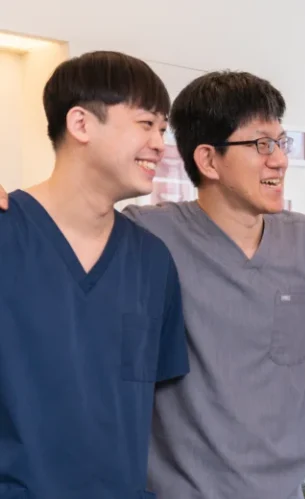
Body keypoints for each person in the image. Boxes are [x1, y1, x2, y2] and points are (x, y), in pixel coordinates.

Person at [0, 69, 305, 498]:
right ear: (208, 160)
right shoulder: (149, 236)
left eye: (282, 143)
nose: (279, 159)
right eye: (262, 144)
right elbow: (70, 218)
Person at [0, 51, 189, 498]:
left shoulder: (152, 262)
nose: (160, 144)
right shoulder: (8, 234)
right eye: (146, 123)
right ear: (81, 124)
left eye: (163, 129)